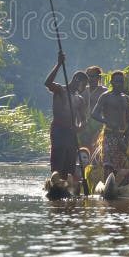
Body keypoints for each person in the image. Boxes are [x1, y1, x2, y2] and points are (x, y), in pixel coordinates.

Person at [92, 70, 129, 186]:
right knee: (108, 164)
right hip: (109, 135)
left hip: (123, 136)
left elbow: (128, 123)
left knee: (122, 165)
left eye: (121, 82)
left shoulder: (126, 99)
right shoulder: (105, 97)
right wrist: (107, 122)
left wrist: (126, 140)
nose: (119, 84)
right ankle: (108, 185)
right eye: (116, 81)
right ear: (112, 82)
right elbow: (94, 114)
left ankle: (120, 187)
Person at [44, 51, 88, 179]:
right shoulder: (60, 90)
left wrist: (79, 127)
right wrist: (58, 65)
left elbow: (84, 120)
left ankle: (67, 181)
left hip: (71, 132)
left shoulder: (80, 99)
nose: (85, 88)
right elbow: (47, 83)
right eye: (84, 84)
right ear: (76, 80)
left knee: (70, 160)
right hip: (58, 129)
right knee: (58, 156)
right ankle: (55, 179)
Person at [82, 65, 107, 151]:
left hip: (98, 125)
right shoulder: (82, 90)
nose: (91, 79)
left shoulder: (105, 92)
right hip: (84, 126)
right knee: (84, 150)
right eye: (88, 76)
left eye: (93, 76)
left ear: (99, 77)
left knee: (96, 150)